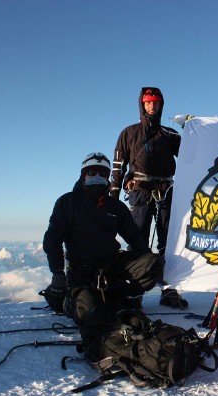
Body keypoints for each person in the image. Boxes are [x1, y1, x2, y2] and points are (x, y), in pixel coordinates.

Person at [42, 152, 164, 344]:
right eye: (92, 171)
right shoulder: (68, 203)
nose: (97, 176)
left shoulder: (115, 207)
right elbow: (52, 240)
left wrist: (151, 266)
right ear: (83, 175)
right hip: (81, 273)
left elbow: (136, 239)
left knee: (152, 262)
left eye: (102, 173)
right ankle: (70, 302)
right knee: (91, 314)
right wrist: (58, 274)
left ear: (108, 177)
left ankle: (128, 298)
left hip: (111, 268)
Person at [111, 87, 188, 309]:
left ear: (161, 105)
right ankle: (134, 291)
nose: (152, 106)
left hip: (166, 188)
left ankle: (169, 289)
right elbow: (119, 165)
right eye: (148, 102)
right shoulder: (129, 133)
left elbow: (191, 155)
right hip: (140, 190)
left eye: (155, 102)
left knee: (169, 241)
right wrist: (114, 192)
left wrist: (191, 131)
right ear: (141, 105)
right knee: (137, 240)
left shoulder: (170, 135)